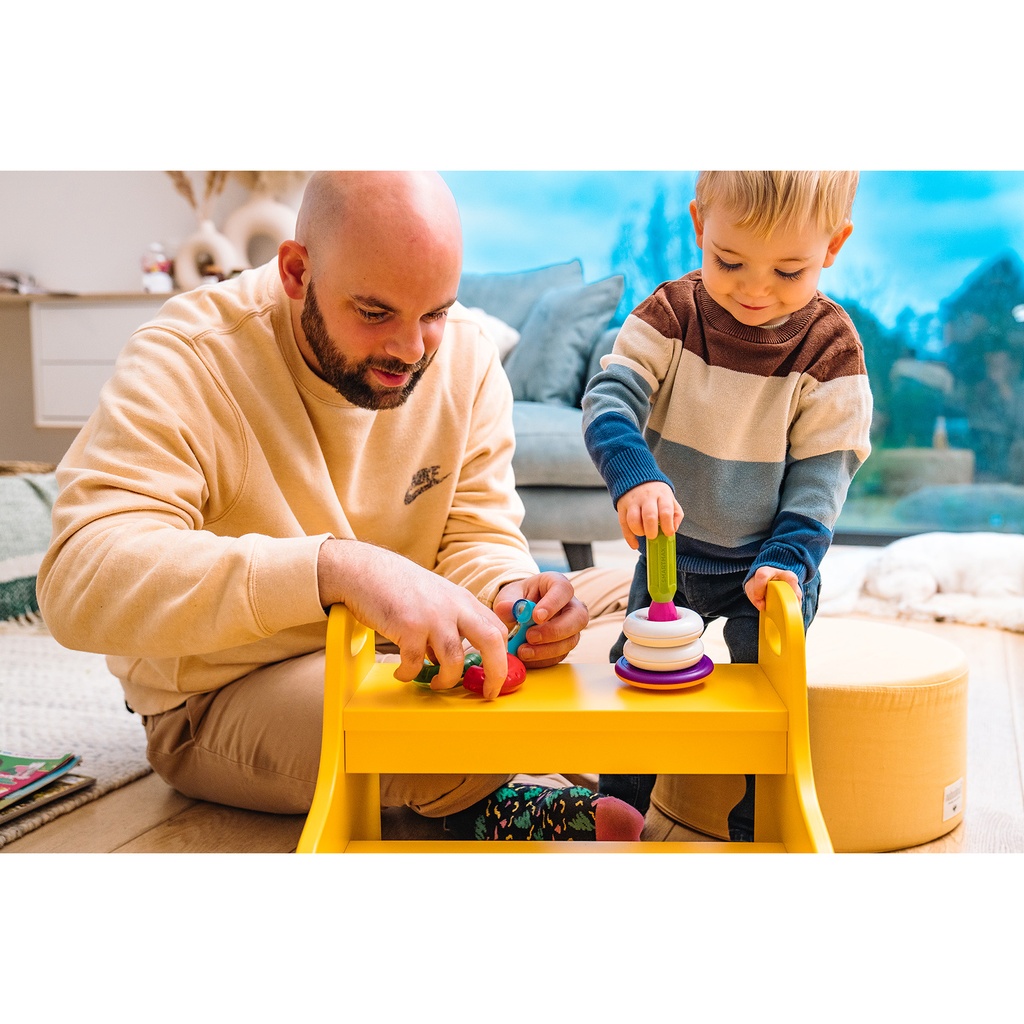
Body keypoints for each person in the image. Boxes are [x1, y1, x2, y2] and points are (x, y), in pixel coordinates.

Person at [37, 171, 642, 843]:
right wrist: (336, 571)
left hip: (414, 650)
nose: (411, 351)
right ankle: (544, 788)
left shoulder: (464, 357)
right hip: (231, 688)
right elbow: (77, 581)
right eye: (375, 312)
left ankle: (527, 778)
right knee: (437, 728)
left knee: (659, 610)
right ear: (297, 272)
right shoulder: (191, 357)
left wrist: (508, 593)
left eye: (435, 312)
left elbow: (477, 534)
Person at [582, 171, 873, 840]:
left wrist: (787, 565)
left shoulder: (832, 349)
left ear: (834, 246)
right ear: (699, 227)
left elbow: (820, 481)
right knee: (639, 684)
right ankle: (620, 814)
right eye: (729, 261)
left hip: (769, 569)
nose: (754, 287)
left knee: (766, 702)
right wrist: (636, 477)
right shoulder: (672, 314)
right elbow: (608, 400)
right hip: (670, 558)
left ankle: (756, 827)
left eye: (789, 270)